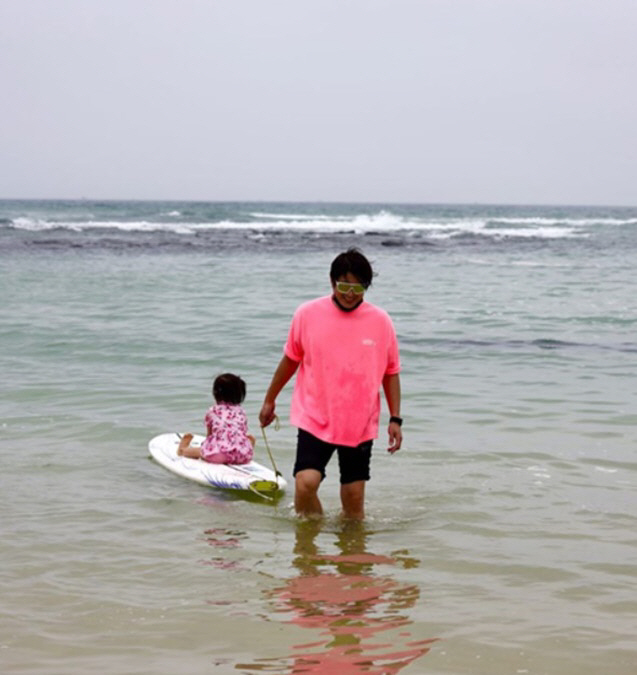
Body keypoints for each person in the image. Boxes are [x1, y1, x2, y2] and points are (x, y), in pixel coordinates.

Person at [259, 248, 402, 520]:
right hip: (315, 415)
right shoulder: (307, 313)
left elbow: (391, 372)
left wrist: (396, 418)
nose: (350, 293)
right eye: (344, 286)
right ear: (331, 282)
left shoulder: (381, 321)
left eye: (358, 287)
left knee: (353, 503)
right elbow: (290, 360)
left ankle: (351, 555)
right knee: (305, 484)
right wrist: (270, 399)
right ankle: (308, 549)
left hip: (359, 421)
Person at [178, 373, 255, 464]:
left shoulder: (213, 411)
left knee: (199, 451)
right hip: (244, 456)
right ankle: (247, 446)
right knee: (244, 439)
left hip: (219, 455)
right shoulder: (241, 412)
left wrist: (205, 449)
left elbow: (210, 436)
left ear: (215, 393)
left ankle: (182, 450)